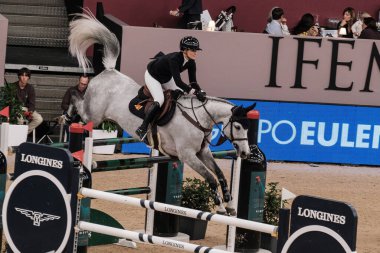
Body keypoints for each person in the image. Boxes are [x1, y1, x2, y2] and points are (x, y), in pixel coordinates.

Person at [135, 36, 206, 141]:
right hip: (153, 76)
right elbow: (178, 82)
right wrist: (194, 92)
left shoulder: (191, 62)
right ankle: (142, 128)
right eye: (193, 50)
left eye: (196, 50)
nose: (196, 52)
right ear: (184, 50)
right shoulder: (174, 60)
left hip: (166, 77)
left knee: (181, 94)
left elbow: (193, 82)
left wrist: (200, 91)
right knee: (160, 99)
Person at [13, 67, 43, 134]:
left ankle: (23, 133)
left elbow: (32, 103)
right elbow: (10, 102)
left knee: (39, 119)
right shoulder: (13, 86)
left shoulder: (30, 88)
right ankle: (18, 136)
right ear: (19, 76)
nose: (24, 78)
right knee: (20, 118)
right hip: (16, 109)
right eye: (22, 75)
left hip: (27, 109)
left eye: (26, 76)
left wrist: (30, 112)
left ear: (28, 77)